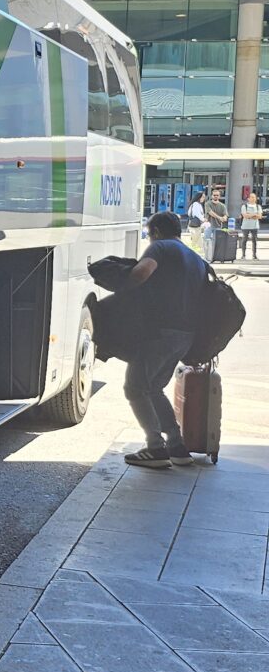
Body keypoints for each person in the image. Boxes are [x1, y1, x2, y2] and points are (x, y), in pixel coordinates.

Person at [120, 210, 209, 469]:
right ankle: (177, 447)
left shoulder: (160, 248)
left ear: (156, 231)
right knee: (153, 387)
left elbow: (141, 273)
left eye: (148, 233)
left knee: (135, 387)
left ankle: (155, 447)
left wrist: (122, 290)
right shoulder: (195, 257)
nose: (149, 238)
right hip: (185, 335)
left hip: (160, 332)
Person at [204, 186, 228, 261]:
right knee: (207, 241)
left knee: (217, 243)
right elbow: (210, 213)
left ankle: (215, 257)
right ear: (212, 196)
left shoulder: (222, 206)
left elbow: (226, 215)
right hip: (209, 226)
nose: (216, 196)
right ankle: (207, 257)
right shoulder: (207, 204)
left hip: (218, 226)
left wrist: (224, 218)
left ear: (219, 196)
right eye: (214, 195)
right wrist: (220, 218)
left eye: (217, 195)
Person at [241, 189, 262, 260]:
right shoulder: (244, 206)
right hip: (245, 226)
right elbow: (245, 216)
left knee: (254, 241)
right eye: (251, 197)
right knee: (244, 240)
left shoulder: (258, 206)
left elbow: (259, 216)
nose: (253, 199)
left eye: (254, 197)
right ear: (248, 199)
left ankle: (254, 255)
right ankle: (243, 255)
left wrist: (250, 215)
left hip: (255, 226)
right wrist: (254, 215)